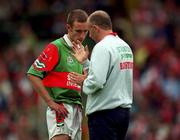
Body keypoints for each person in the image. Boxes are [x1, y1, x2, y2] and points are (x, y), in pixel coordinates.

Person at [69, 10, 133, 140]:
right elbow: (108, 75)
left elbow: (97, 82)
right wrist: (85, 62)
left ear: (95, 28)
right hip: (123, 113)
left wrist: (83, 81)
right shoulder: (124, 46)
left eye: (88, 31)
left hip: (104, 115)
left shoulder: (102, 47)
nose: (89, 36)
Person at [27, 9, 88, 140]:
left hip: (76, 106)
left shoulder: (81, 52)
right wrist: (50, 102)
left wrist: (86, 72)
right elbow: (32, 74)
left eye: (85, 31)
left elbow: (90, 81)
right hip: (61, 106)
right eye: (78, 31)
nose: (82, 36)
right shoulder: (56, 47)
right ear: (68, 27)